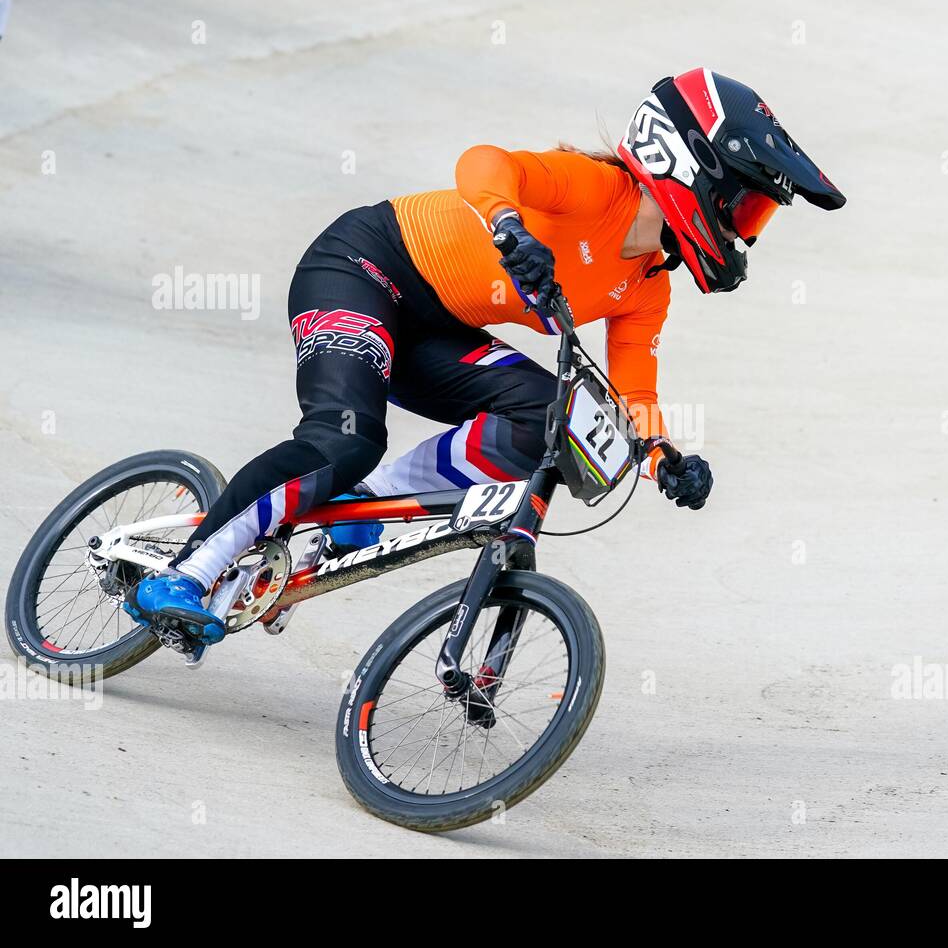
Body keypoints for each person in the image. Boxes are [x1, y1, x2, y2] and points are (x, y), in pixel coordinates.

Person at [124, 68, 846, 659]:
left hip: (430, 326)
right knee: (342, 437)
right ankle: (188, 573)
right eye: (744, 204)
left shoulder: (648, 288)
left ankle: (361, 507)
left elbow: (635, 392)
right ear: (693, 169)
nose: (744, 226)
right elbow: (484, 162)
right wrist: (507, 224)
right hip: (362, 268)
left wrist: (662, 458)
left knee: (546, 414)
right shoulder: (597, 188)